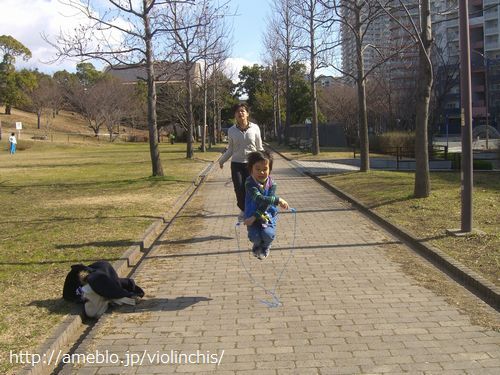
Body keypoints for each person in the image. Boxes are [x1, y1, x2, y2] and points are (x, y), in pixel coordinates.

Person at [219, 103, 264, 221]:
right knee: (239, 188)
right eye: (238, 111)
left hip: (252, 165)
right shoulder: (231, 130)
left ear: (247, 114)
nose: (240, 113)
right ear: (235, 115)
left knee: (252, 189)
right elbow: (231, 148)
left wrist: (265, 161)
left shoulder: (255, 128)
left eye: (243, 111)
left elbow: (259, 147)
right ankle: (244, 210)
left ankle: (253, 212)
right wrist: (222, 160)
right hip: (236, 164)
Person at [243, 150, 289, 260]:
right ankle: (257, 245)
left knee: (268, 235)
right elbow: (259, 198)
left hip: (267, 215)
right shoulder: (249, 183)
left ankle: (266, 246)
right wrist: (278, 200)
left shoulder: (272, 184)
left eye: (265, 169)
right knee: (255, 236)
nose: (261, 172)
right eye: (257, 169)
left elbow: (266, 204)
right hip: (251, 215)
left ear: (270, 169)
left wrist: (256, 216)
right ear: (251, 169)